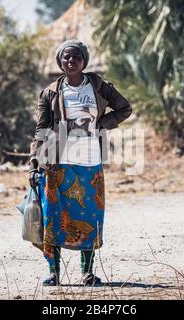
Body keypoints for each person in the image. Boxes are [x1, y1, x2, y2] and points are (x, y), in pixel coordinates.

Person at [28, 39, 132, 286]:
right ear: (60, 62)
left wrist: (101, 124)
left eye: (76, 57)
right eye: (66, 57)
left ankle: (87, 272)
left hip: (90, 163)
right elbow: (41, 129)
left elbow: (124, 108)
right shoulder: (50, 93)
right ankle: (54, 273)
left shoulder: (97, 85)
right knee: (54, 217)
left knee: (90, 215)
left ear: (84, 61)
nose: (71, 61)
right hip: (57, 164)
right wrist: (34, 163)